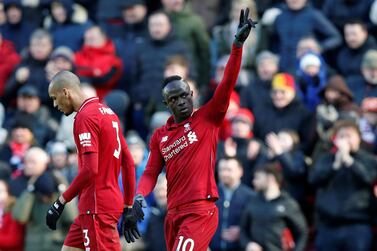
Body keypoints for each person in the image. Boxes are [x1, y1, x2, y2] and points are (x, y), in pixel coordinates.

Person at [133, 8, 256, 251]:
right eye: (174, 99)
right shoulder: (160, 136)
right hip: (173, 212)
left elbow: (228, 81)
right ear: (167, 104)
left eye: (183, 95)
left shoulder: (207, 118)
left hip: (200, 209)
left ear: (192, 94)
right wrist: (139, 195)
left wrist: (237, 46)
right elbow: (150, 173)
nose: (181, 101)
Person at [45, 70, 141, 250]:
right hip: (98, 205)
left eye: (55, 97)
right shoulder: (108, 113)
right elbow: (128, 161)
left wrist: (61, 202)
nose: (55, 104)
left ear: (66, 92)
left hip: (96, 206)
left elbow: (90, 170)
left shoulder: (85, 116)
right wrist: (128, 205)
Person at [240, 162, 308, 251]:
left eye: (258, 177)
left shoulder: (288, 203)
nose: (254, 181)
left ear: (270, 178)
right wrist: (248, 244)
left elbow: (302, 233)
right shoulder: (253, 201)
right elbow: (243, 229)